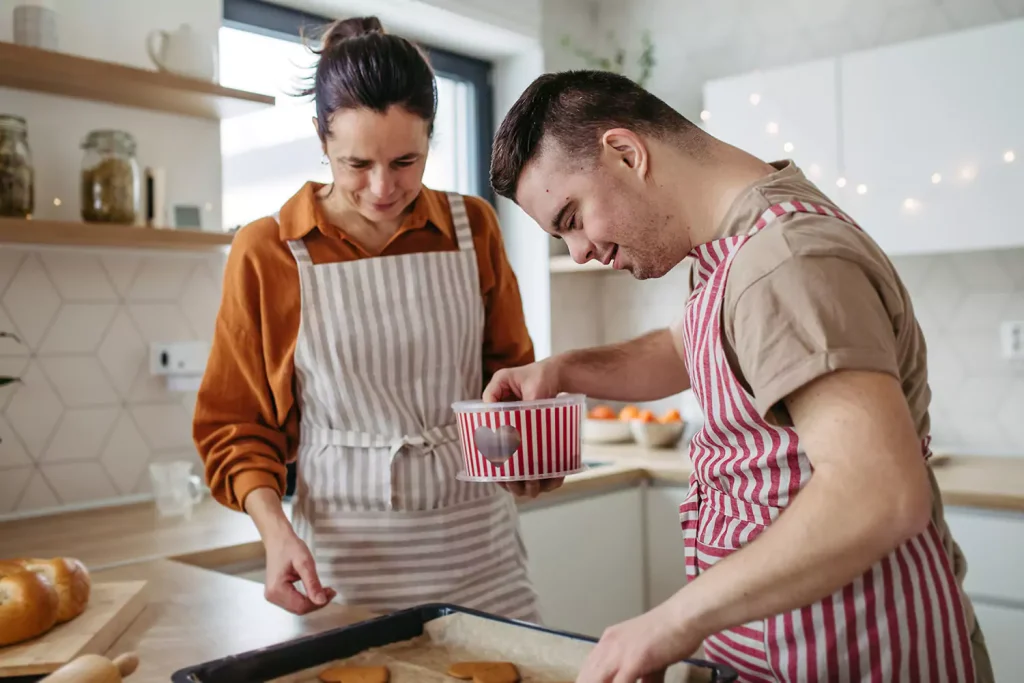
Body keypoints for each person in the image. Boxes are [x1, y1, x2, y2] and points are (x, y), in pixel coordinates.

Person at [484, 70, 994, 682]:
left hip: (862, 650)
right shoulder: (732, 248)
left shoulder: (785, 260)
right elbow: (688, 347)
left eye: (571, 217)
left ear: (626, 152)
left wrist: (670, 622)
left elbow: (878, 492)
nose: (578, 252)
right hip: (792, 647)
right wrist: (563, 369)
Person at [193, 16, 549, 623]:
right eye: (356, 164)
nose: (383, 188)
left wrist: (526, 454)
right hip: (344, 561)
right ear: (320, 137)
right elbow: (237, 426)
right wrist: (275, 534)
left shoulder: (472, 229)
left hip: (477, 546)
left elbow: (509, 381)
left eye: (406, 160)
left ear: (431, 138)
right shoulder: (270, 250)